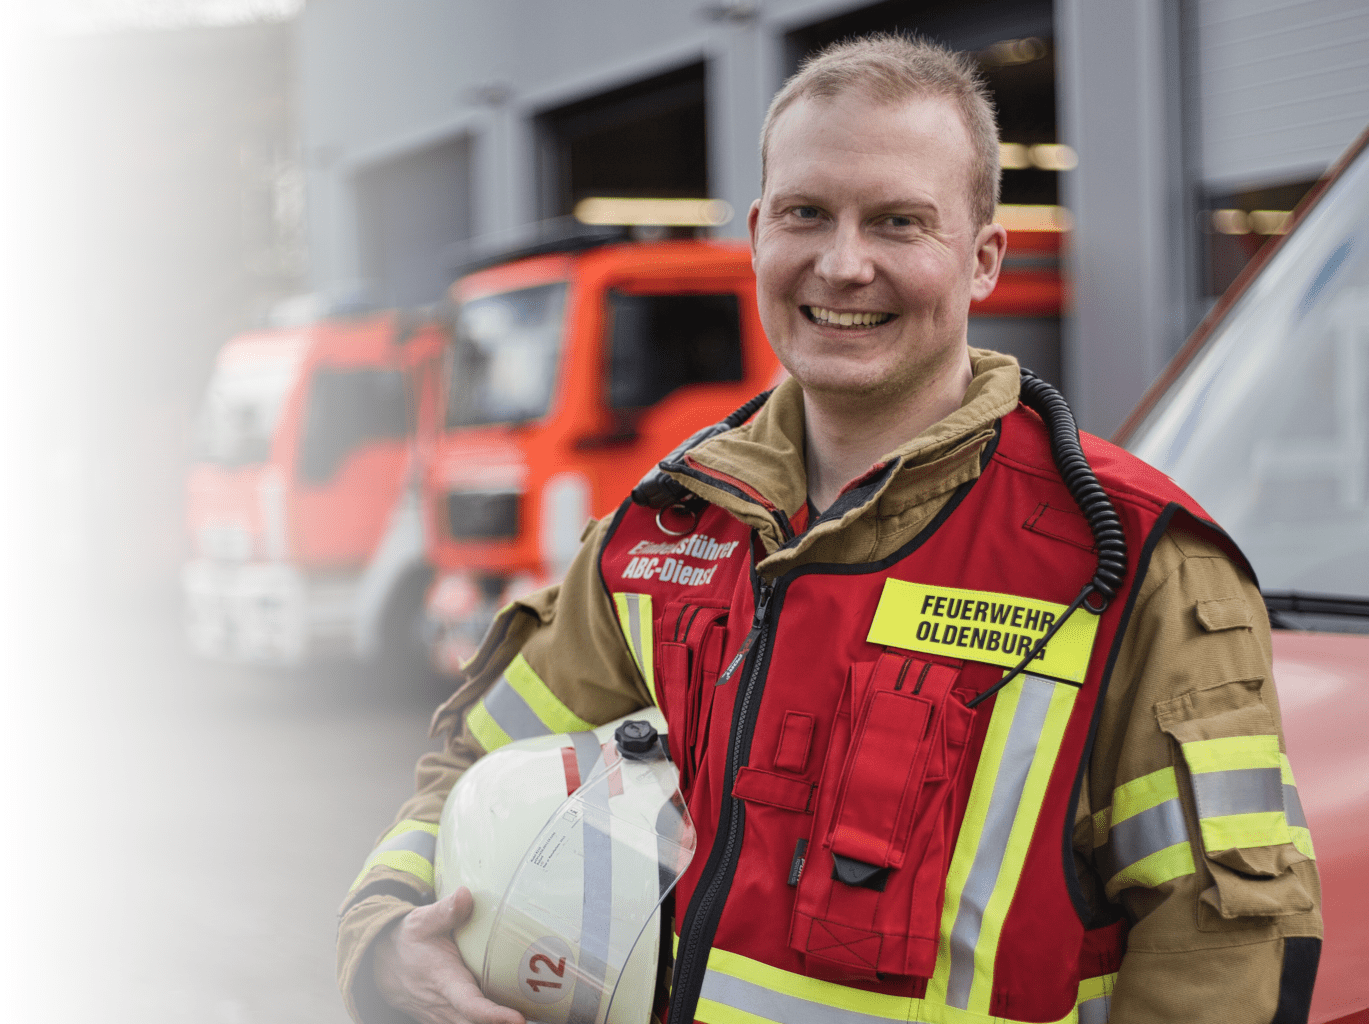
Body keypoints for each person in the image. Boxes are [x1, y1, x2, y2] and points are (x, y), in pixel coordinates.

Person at [337, 34, 1322, 1024]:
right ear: (760, 233)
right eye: (807, 214)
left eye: (898, 222)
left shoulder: (1135, 563)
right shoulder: (659, 535)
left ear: (981, 259)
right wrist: (385, 936)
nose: (843, 265)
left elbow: (1221, 946)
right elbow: (473, 763)